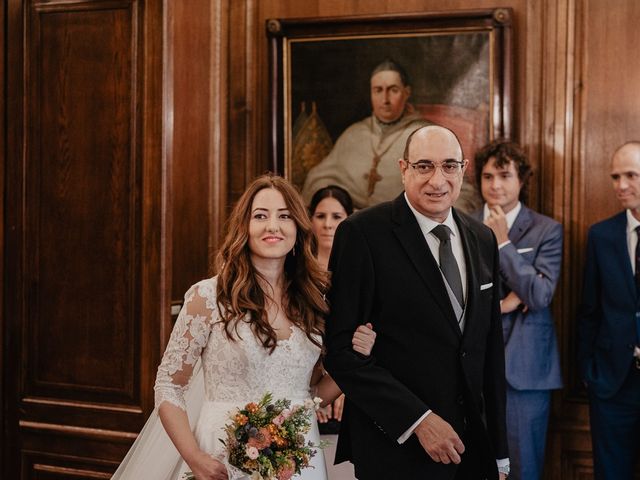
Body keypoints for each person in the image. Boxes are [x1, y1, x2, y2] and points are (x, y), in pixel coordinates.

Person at [112, 174, 376, 480]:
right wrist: (194, 457)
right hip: (221, 459)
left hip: (298, 463)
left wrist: (358, 358)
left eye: (284, 216)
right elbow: (169, 386)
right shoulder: (208, 297)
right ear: (244, 228)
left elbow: (311, 393)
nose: (273, 226)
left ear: (298, 229)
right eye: (260, 216)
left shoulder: (314, 302)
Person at [324, 125, 509, 479]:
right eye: (424, 166)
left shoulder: (482, 238)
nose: (437, 180)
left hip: (469, 451)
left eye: (449, 166)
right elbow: (341, 351)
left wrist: (498, 452)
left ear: (463, 168)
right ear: (403, 168)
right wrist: (419, 421)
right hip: (394, 449)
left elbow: (490, 353)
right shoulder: (362, 234)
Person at [472, 140, 563, 480]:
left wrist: (504, 243)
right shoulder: (463, 226)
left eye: (505, 175)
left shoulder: (547, 230)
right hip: (474, 369)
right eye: (487, 176)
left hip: (526, 373)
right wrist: (506, 303)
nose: (495, 185)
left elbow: (539, 295)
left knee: (524, 470)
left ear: (522, 179)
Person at [577, 141, 640, 480]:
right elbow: (589, 310)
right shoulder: (601, 235)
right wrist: (589, 371)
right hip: (613, 383)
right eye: (616, 176)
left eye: (631, 175)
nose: (621, 185)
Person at [308, 185, 358, 478]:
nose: (327, 224)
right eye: (320, 215)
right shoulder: (295, 271)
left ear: (348, 219)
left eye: (336, 216)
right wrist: (315, 392)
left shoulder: (357, 268)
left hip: (347, 381)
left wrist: (342, 387)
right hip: (307, 380)